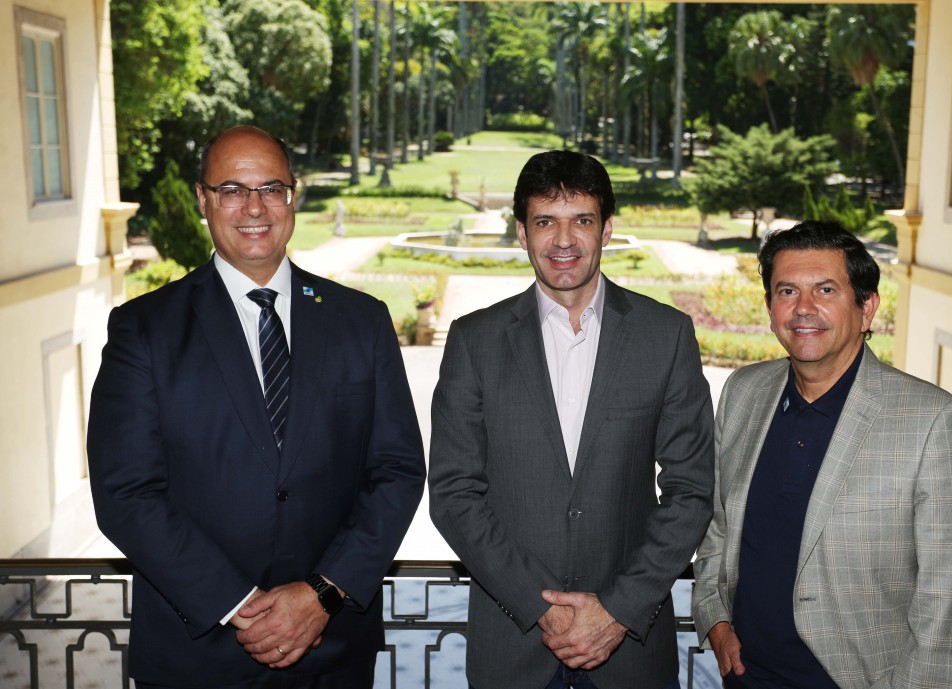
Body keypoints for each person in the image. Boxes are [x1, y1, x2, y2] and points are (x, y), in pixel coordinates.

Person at [87, 125, 425, 689]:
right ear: (204, 199)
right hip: (198, 656)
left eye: (271, 188)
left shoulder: (361, 322)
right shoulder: (143, 329)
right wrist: (240, 605)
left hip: (333, 652)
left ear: (294, 197)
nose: (254, 206)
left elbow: (397, 471)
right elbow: (126, 492)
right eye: (233, 189)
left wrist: (322, 594)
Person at [428, 150, 715, 689]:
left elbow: (691, 489)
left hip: (628, 647)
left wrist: (616, 610)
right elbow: (454, 492)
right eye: (545, 222)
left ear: (607, 229)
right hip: (514, 646)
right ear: (521, 232)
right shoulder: (475, 341)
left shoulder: (666, 336)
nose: (563, 240)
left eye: (581, 220)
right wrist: (545, 610)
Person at [692, 220, 952, 688]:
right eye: (786, 291)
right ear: (770, 308)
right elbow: (718, 525)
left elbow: (950, 616)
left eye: (825, 289)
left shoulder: (934, 422)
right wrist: (715, 617)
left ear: (866, 307)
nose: (803, 309)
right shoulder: (743, 392)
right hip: (745, 676)